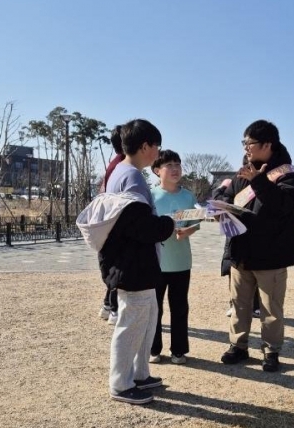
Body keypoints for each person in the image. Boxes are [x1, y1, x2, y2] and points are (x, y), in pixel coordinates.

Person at [214, 120, 294, 372]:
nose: (245, 148)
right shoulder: (243, 172)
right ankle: (238, 346)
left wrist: (259, 181)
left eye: (249, 143)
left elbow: (283, 206)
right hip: (241, 250)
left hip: (271, 254)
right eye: (244, 142)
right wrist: (220, 207)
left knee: (270, 307)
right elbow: (226, 196)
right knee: (239, 305)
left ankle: (271, 351)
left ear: (267, 144)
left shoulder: (287, 174)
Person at [98, 118, 175, 404]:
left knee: (147, 318)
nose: (158, 151)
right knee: (132, 324)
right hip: (132, 263)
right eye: (157, 146)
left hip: (132, 261)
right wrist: (169, 224)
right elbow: (139, 226)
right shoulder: (131, 177)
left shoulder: (122, 170)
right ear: (145, 146)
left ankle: (140, 374)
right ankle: (120, 384)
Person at [149, 150, 199, 365]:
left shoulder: (188, 196)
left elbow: (195, 223)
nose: (175, 169)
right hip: (156, 262)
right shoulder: (150, 195)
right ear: (157, 171)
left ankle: (178, 351)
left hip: (181, 261)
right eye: (169, 165)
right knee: (154, 308)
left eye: (177, 164)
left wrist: (188, 230)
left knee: (179, 307)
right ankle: (153, 348)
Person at [214, 177, 261, 319]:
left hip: (253, 237)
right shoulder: (237, 182)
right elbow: (220, 203)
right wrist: (222, 188)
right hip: (236, 236)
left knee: (256, 272)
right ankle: (234, 304)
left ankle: (256, 306)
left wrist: (221, 188)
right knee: (235, 271)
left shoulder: (262, 183)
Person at [98, 125, 125, 325]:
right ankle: (114, 308)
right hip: (117, 224)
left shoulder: (114, 163)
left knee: (115, 264)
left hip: (109, 222)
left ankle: (108, 305)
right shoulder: (123, 166)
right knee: (120, 266)